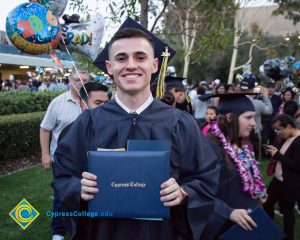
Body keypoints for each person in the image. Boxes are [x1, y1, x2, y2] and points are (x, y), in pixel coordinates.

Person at [53, 27, 220, 240]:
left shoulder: (180, 123)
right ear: (109, 67)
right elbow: (63, 173)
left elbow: (206, 174)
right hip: (103, 232)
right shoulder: (89, 122)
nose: (131, 65)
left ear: (154, 65)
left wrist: (184, 193)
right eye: (121, 58)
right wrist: (78, 188)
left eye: (140, 57)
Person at [201, 93, 268, 240]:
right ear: (230, 117)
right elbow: (198, 192)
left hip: (247, 220)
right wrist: (228, 212)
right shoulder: (210, 147)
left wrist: (257, 190)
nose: (253, 123)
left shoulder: (242, 143)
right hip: (224, 226)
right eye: (248, 117)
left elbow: (244, 175)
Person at [40, 68, 89, 240]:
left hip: (88, 161)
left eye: (85, 80)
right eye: (77, 79)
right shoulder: (58, 103)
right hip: (62, 162)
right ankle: (58, 231)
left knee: (86, 195)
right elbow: (45, 129)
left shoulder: (93, 103)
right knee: (62, 196)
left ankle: (81, 227)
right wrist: (45, 154)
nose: (81, 83)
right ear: (70, 81)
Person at [263, 114, 300, 240]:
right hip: (278, 180)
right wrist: (274, 151)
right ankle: (270, 230)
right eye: (275, 130)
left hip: (289, 183)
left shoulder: (298, 141)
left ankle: (288, 236)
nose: (277, 133)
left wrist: (277, 155)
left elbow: (297, 165)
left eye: (279, 129)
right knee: (267, 203)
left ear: (288, 126)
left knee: (287, 211)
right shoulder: (287, 137)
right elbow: (285, 155)